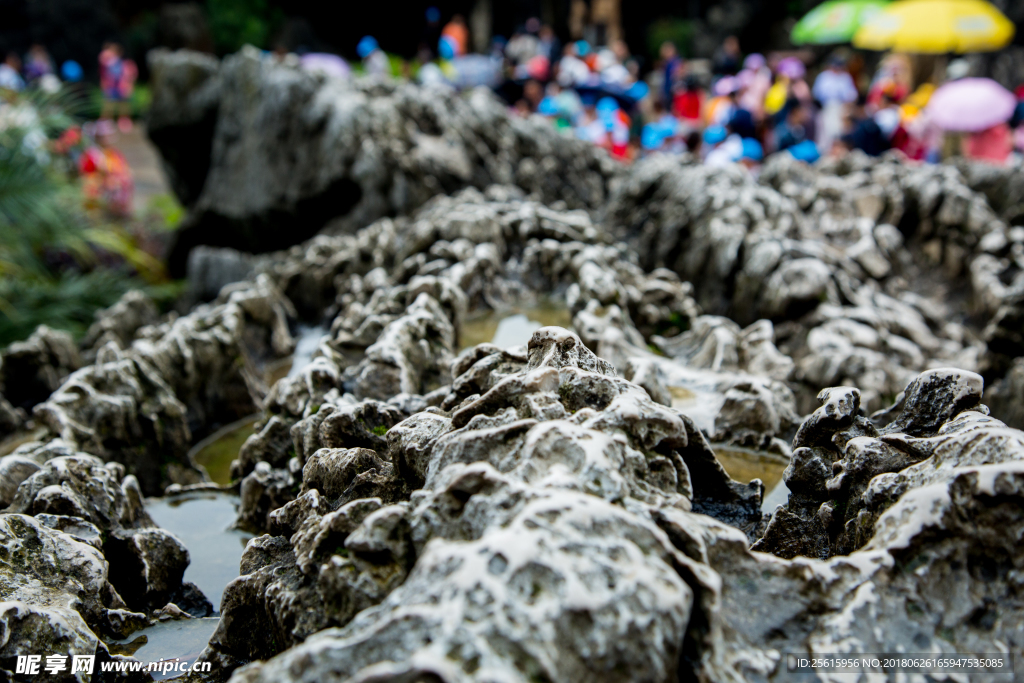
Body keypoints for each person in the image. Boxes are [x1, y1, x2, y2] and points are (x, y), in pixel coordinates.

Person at [80, 119, 133, 217]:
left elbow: (123, 169)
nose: (106, 139)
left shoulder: (113, 153)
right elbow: (87, 174)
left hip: (113, 185)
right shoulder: (92, 154)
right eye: (104, 136)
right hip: (99, 186)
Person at [814, 56, 858, 152]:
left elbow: (852, 96)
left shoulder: (845, 77)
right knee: (825, 135)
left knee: (839, 134)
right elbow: (817, 95)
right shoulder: (823, 76)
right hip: (826, 108)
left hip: (841, 109)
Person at [99, 43, 137, 132]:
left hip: (121, 87)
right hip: (111, 87)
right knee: (109, 105)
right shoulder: (107, 62)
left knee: (123, 105)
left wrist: (128, 85)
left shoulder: (124, 63)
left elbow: (129, 75)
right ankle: (106, 122)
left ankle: (123, 121)